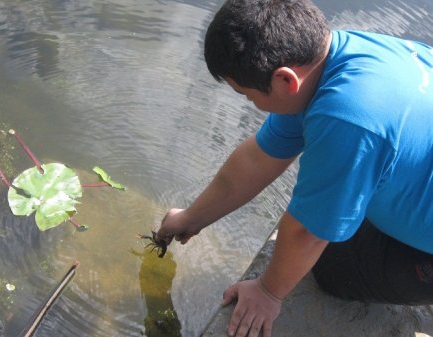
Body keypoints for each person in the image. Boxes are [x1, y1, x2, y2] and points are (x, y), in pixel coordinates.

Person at [156, 0, 433, 336]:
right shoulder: (333, 57)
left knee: (332, 266)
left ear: (285, 80)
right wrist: (191, 217)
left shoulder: (346, 116)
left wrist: (269, 292)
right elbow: (258, 158)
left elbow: (307, 231)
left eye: (247, 96)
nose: (251, 104)